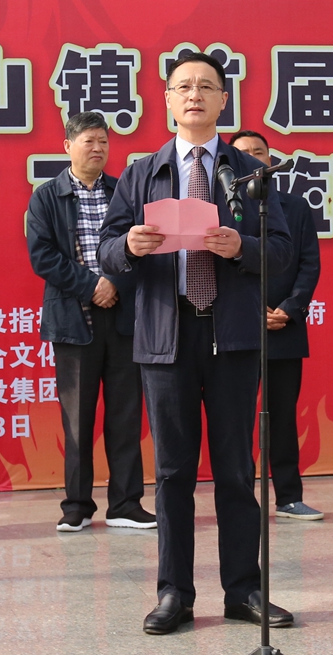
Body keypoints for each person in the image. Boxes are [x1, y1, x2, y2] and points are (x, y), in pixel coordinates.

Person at [97, 53, 294, 635]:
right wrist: (129, 246)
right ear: (166, 99)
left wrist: (243, 249)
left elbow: (282, 251)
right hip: (167, 336)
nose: (194, 95)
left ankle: (244, 590)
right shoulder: (142, 172)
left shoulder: (249, 172)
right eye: (183, 86)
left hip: (232, 337)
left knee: (236, 470)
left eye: (206, 86)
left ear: (223, 100)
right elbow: (106, 250)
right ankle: (174, 594)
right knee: (173, 473)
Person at [27, 111, 156, 532]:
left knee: (125, 416)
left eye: (103, 140)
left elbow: (143, 247)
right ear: (68, 146)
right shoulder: (46, 197)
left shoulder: (124, 192)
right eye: (89, 141)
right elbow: (43, 257)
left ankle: (125, 504)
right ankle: (77, 506)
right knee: (77, 421)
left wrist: (115, 283)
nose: (98, 148)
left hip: (123, 321)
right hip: (73, 322)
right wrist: (92, 286)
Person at [229, 129, 323, 521]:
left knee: (282, 416)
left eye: (259, 152)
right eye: (244, 153)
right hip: (236, 328)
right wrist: (251, 311)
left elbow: (309, 263)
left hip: (284, 327)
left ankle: (288, 497)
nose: (253, 159)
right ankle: (239, 501)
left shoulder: (294, 207)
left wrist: (289, 308)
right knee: (236, 420)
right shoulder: (222, 207)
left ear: (271, 160)